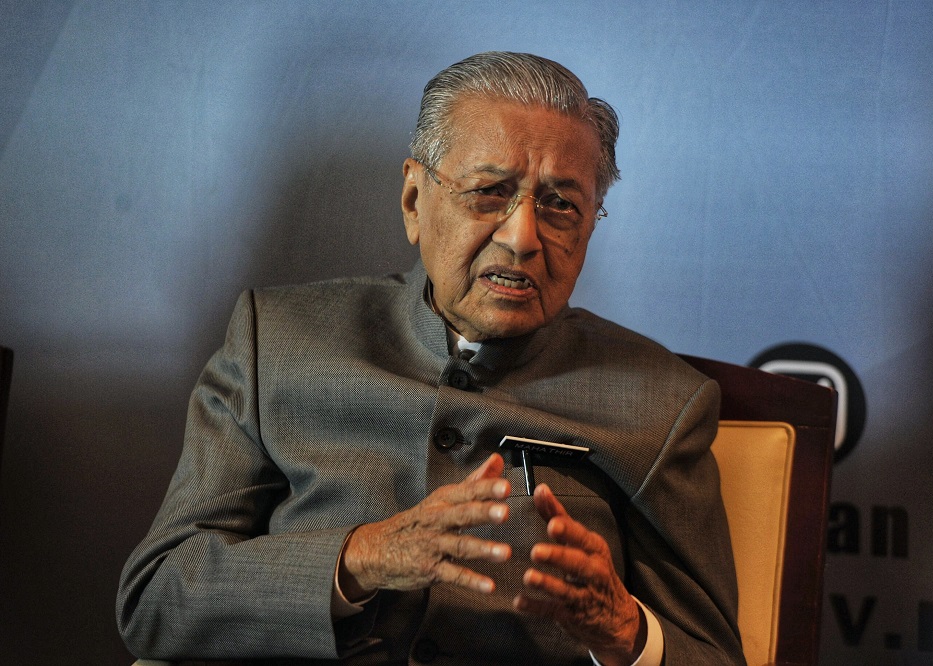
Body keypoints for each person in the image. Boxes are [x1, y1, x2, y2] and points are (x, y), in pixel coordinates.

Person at [117, 51, 745, 665]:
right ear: (416, 201)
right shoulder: (275, 341)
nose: (522, 238)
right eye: (490, 192)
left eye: (560, 205)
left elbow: (711, 654)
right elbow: (157, 597)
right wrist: (364, 556)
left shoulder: (661, 402)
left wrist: (626, 630)